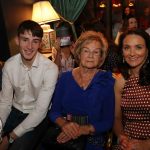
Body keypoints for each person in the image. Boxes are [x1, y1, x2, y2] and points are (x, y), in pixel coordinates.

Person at [46, 31, 115, 150]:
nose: (90, 56)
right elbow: (54, 112)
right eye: (86, 50)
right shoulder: (65, 78)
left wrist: (82, 130)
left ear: (101, 57)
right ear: (79, 53)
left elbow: (108, 121)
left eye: (96, 52)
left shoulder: (106, 81)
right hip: (64, 134)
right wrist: (65, 125)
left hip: (92, 138)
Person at [0, 20, 58, 150]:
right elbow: (5, 102)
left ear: (40, 44)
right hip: (14, 111)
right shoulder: (9, 65)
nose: (29, 46)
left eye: (35, 41)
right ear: (17, 40)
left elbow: (40, 111)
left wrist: (9, 138)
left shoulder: (50, 69)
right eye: (25, 40)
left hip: (37, 116)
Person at [113, 29, 150, 150]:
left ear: (147, 50)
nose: (132, 53)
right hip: (128, 144)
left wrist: (145, 145)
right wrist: (121, 137)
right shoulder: (121, 81)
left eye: (138, 47)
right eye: (127, 48)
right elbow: (116, 118)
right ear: (122, 52)